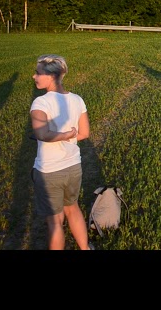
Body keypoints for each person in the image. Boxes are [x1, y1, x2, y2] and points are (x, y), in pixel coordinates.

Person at [30, 54, 92, 250]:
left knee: (55, 222)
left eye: (38, 73)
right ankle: (85, 248)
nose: (34, 77)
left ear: (51, 76)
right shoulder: (77, 99)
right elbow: (84, 133)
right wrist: (70, 135)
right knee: (73, 209)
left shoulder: (40, 103)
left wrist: (64, 135)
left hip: (49, 171)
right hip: (73, 167)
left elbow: (42, 134)